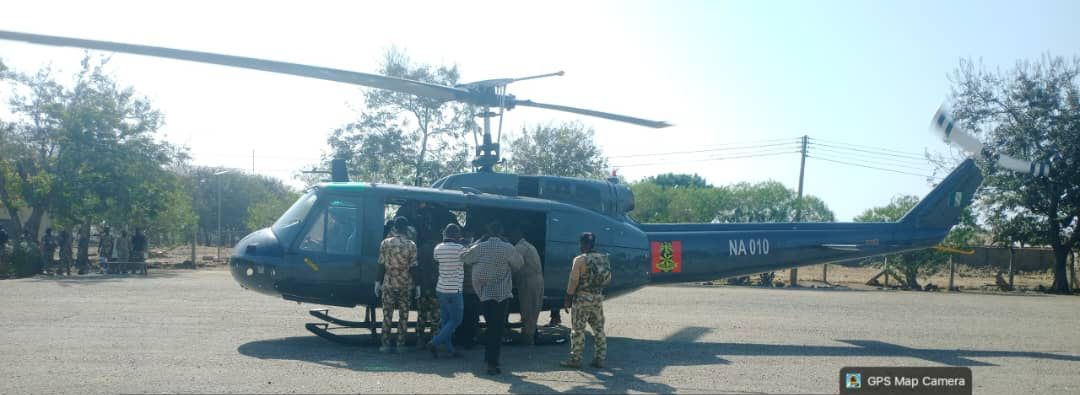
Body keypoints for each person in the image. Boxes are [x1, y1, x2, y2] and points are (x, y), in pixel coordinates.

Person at [460, 221, 523, 375]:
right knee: (497, 329)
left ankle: (490, 359)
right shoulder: (508, 248)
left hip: (484, 294)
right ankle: (492, 362)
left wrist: (477, 241)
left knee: (489, 326)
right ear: (501, 233)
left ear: (487, 232)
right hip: (502, 295)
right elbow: (519, 264)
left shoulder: (480, 246)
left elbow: (464, 257)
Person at [560, 232, 612, 369]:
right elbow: (608, 279)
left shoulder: (579, 260)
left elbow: (573, 281)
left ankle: (575, 359)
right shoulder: (603, 258)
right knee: (599, 329)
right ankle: (600, 359)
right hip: (597, 298)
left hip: (582, 299)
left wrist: (568, 299)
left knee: (578, 330)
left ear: (582, 244)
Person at [376, 216, 417, 353]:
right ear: (406, 228)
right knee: (403, 316)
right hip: (405, 284)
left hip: (388, 283)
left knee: (387, 315)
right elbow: (413, 267)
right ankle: (400, 345)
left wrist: (377, 282)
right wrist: (417, 286)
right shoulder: (411, 245)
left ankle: (385, 345)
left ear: (395, 227)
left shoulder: (385, 243)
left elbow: (381, 265)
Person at [428, 223, 466, 358]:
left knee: (446, 320)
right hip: (454, 289)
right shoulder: (460, 248)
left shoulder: (438, 248)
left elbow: (437, 259)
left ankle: (450, 350)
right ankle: (435, 342)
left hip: (441, 288)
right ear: (456, 235)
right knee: (456, 320)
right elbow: (468, 259)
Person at [507, 226, 544, 345]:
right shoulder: (528, 245)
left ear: (516, 235)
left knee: (528, 309)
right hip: (536, 280)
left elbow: (513, 265)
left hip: (528, 281)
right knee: (533, 308)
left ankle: (528, 339)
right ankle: (530, 334)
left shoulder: (520, 247)